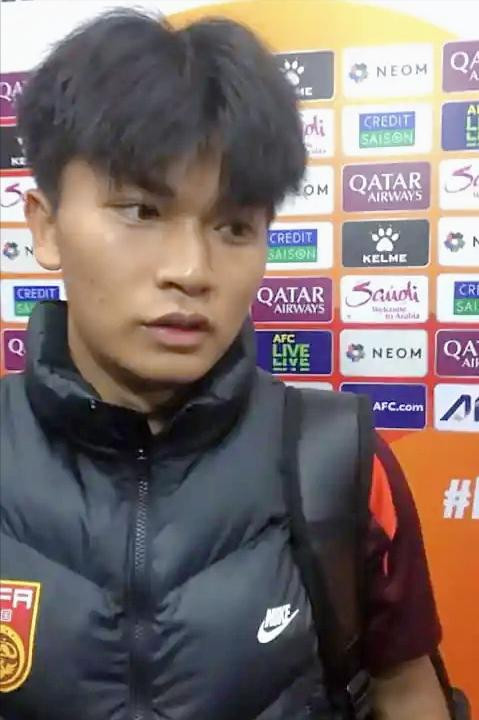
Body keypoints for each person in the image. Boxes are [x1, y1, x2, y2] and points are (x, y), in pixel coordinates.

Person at [0, 9, 450, 720]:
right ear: (46, 225)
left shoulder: (339, 460)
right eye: (142, 212)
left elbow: (404, 688)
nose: (191, 270)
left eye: (234, 226)